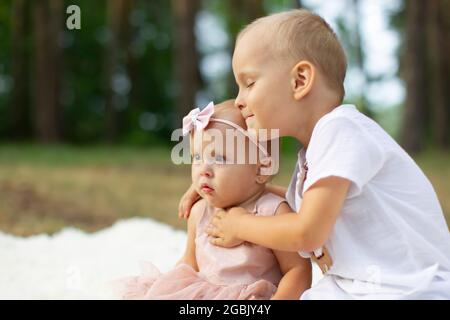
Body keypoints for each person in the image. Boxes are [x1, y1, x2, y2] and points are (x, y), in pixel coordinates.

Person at [179, 10, 450, 299]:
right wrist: (227, 187)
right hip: (357, 284)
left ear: (300, 80)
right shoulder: (314, 154)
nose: (239, 100)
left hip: (409, 285)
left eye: (249, 83)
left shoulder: (342, 130)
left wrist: (241, 224)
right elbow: (309, 206)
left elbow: (306, 231)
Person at [115, 100, 311, 300]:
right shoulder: (200, 212)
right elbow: (189, 264)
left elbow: (298, 270)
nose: (204, 170)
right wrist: (164, 287)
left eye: (219, 158)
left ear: (261, 168)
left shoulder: (274, 212)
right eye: (197, 157)